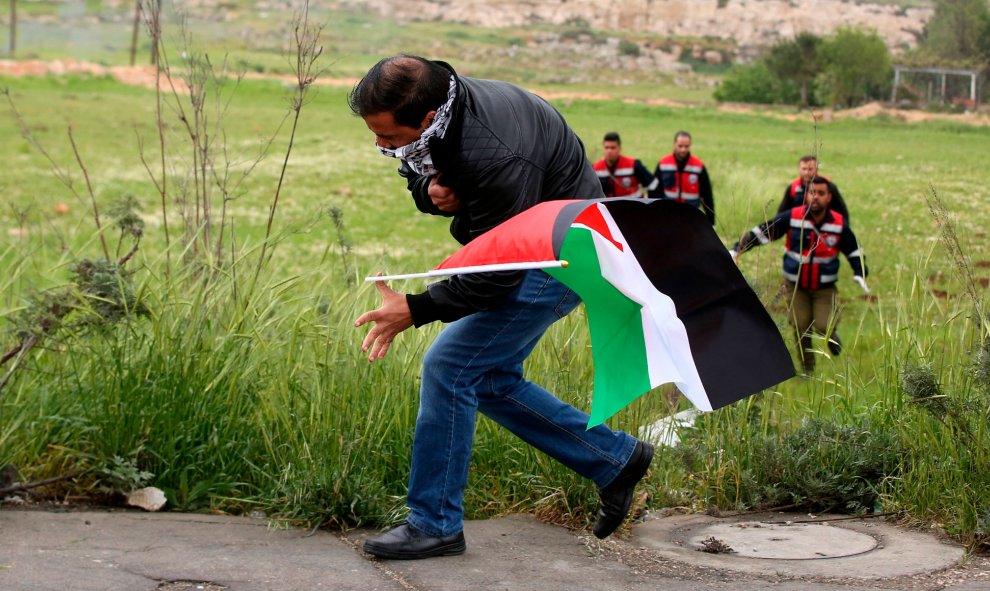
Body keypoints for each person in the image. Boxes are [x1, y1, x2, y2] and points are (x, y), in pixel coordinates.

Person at [349, 56, 654, 560]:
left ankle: (434, 524)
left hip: (563, 256)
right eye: (375, 135)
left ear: (425, 119)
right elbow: (421, 172)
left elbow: (496, 280)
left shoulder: (493, 154)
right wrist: (430, 190)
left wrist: (416, 308)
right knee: (484, 376)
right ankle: (613, 459)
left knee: (449, 367)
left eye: (388, 136)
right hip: (528, 239)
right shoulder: (441, 105)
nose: (382, 146)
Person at [730, 177, 868, 374]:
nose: (816, 197)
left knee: (822, 326)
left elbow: (854, 250)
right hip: (796, 287)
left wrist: (860, 273)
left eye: (821, 193)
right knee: (801, 327)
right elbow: (763, 232)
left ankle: (831, 335)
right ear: (806, 195)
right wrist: (738, 249)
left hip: (824, 289)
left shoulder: (838, 224)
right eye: (812, 193)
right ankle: (807, 370)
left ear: (829, 197)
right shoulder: (793, 217)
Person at [650, 131, 714, 225]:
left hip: (691, 219)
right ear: (674, 144)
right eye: (680, 146)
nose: (683, 149)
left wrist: (712, 223)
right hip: (667, 217)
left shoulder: (698, 166)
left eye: (686, 146)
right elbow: (654, 194)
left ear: (690, 145)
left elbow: (707, 197)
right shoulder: (663, 164)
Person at [776, 155, 850, 223]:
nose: (806, 173)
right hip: (799, 227)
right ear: (799, 169)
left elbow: (841, 212)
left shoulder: (828, 187)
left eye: (810, 169)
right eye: (804, 169)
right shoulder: (793, 188)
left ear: (816, 169)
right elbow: (782, 213)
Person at [592, 131, 658, 198]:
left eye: (613, 148)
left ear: (619, 148)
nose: (609, 151)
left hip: (633, 206)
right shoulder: (596, 168)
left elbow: (653, 184)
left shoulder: (633, 165)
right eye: (607, 147)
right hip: (608, 207)